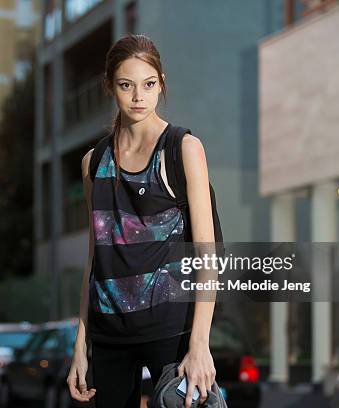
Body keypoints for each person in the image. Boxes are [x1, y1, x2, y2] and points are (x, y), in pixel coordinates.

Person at [66, 33, 218, 408]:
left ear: (161, 84)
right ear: (110, 87)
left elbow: (207, 257)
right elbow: (94, 260)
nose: (138, 97)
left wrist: (200, 345)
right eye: (126, 85)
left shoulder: (182, 148)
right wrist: (81, 346)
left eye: (149, 85)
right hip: (109, 334)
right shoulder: (93, 162)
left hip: (170, 330)